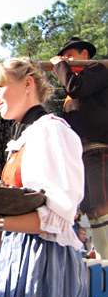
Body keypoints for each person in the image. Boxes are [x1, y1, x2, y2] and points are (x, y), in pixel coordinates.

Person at [0, 58, 88, 297]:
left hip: (44, 261)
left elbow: (60, 218)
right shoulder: (26, 137)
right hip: (15, 253)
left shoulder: (50, 131)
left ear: (28, 83)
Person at [50, 37, 108, 259]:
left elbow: (75, 87)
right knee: (92, 208)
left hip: (99, 148)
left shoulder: (97, 69)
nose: (66, 60)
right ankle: (103, 258)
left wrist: (59, 66)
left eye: (70, 55)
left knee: (103, 205)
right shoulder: (76, 82)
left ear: (85, 54)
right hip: (83, 153)